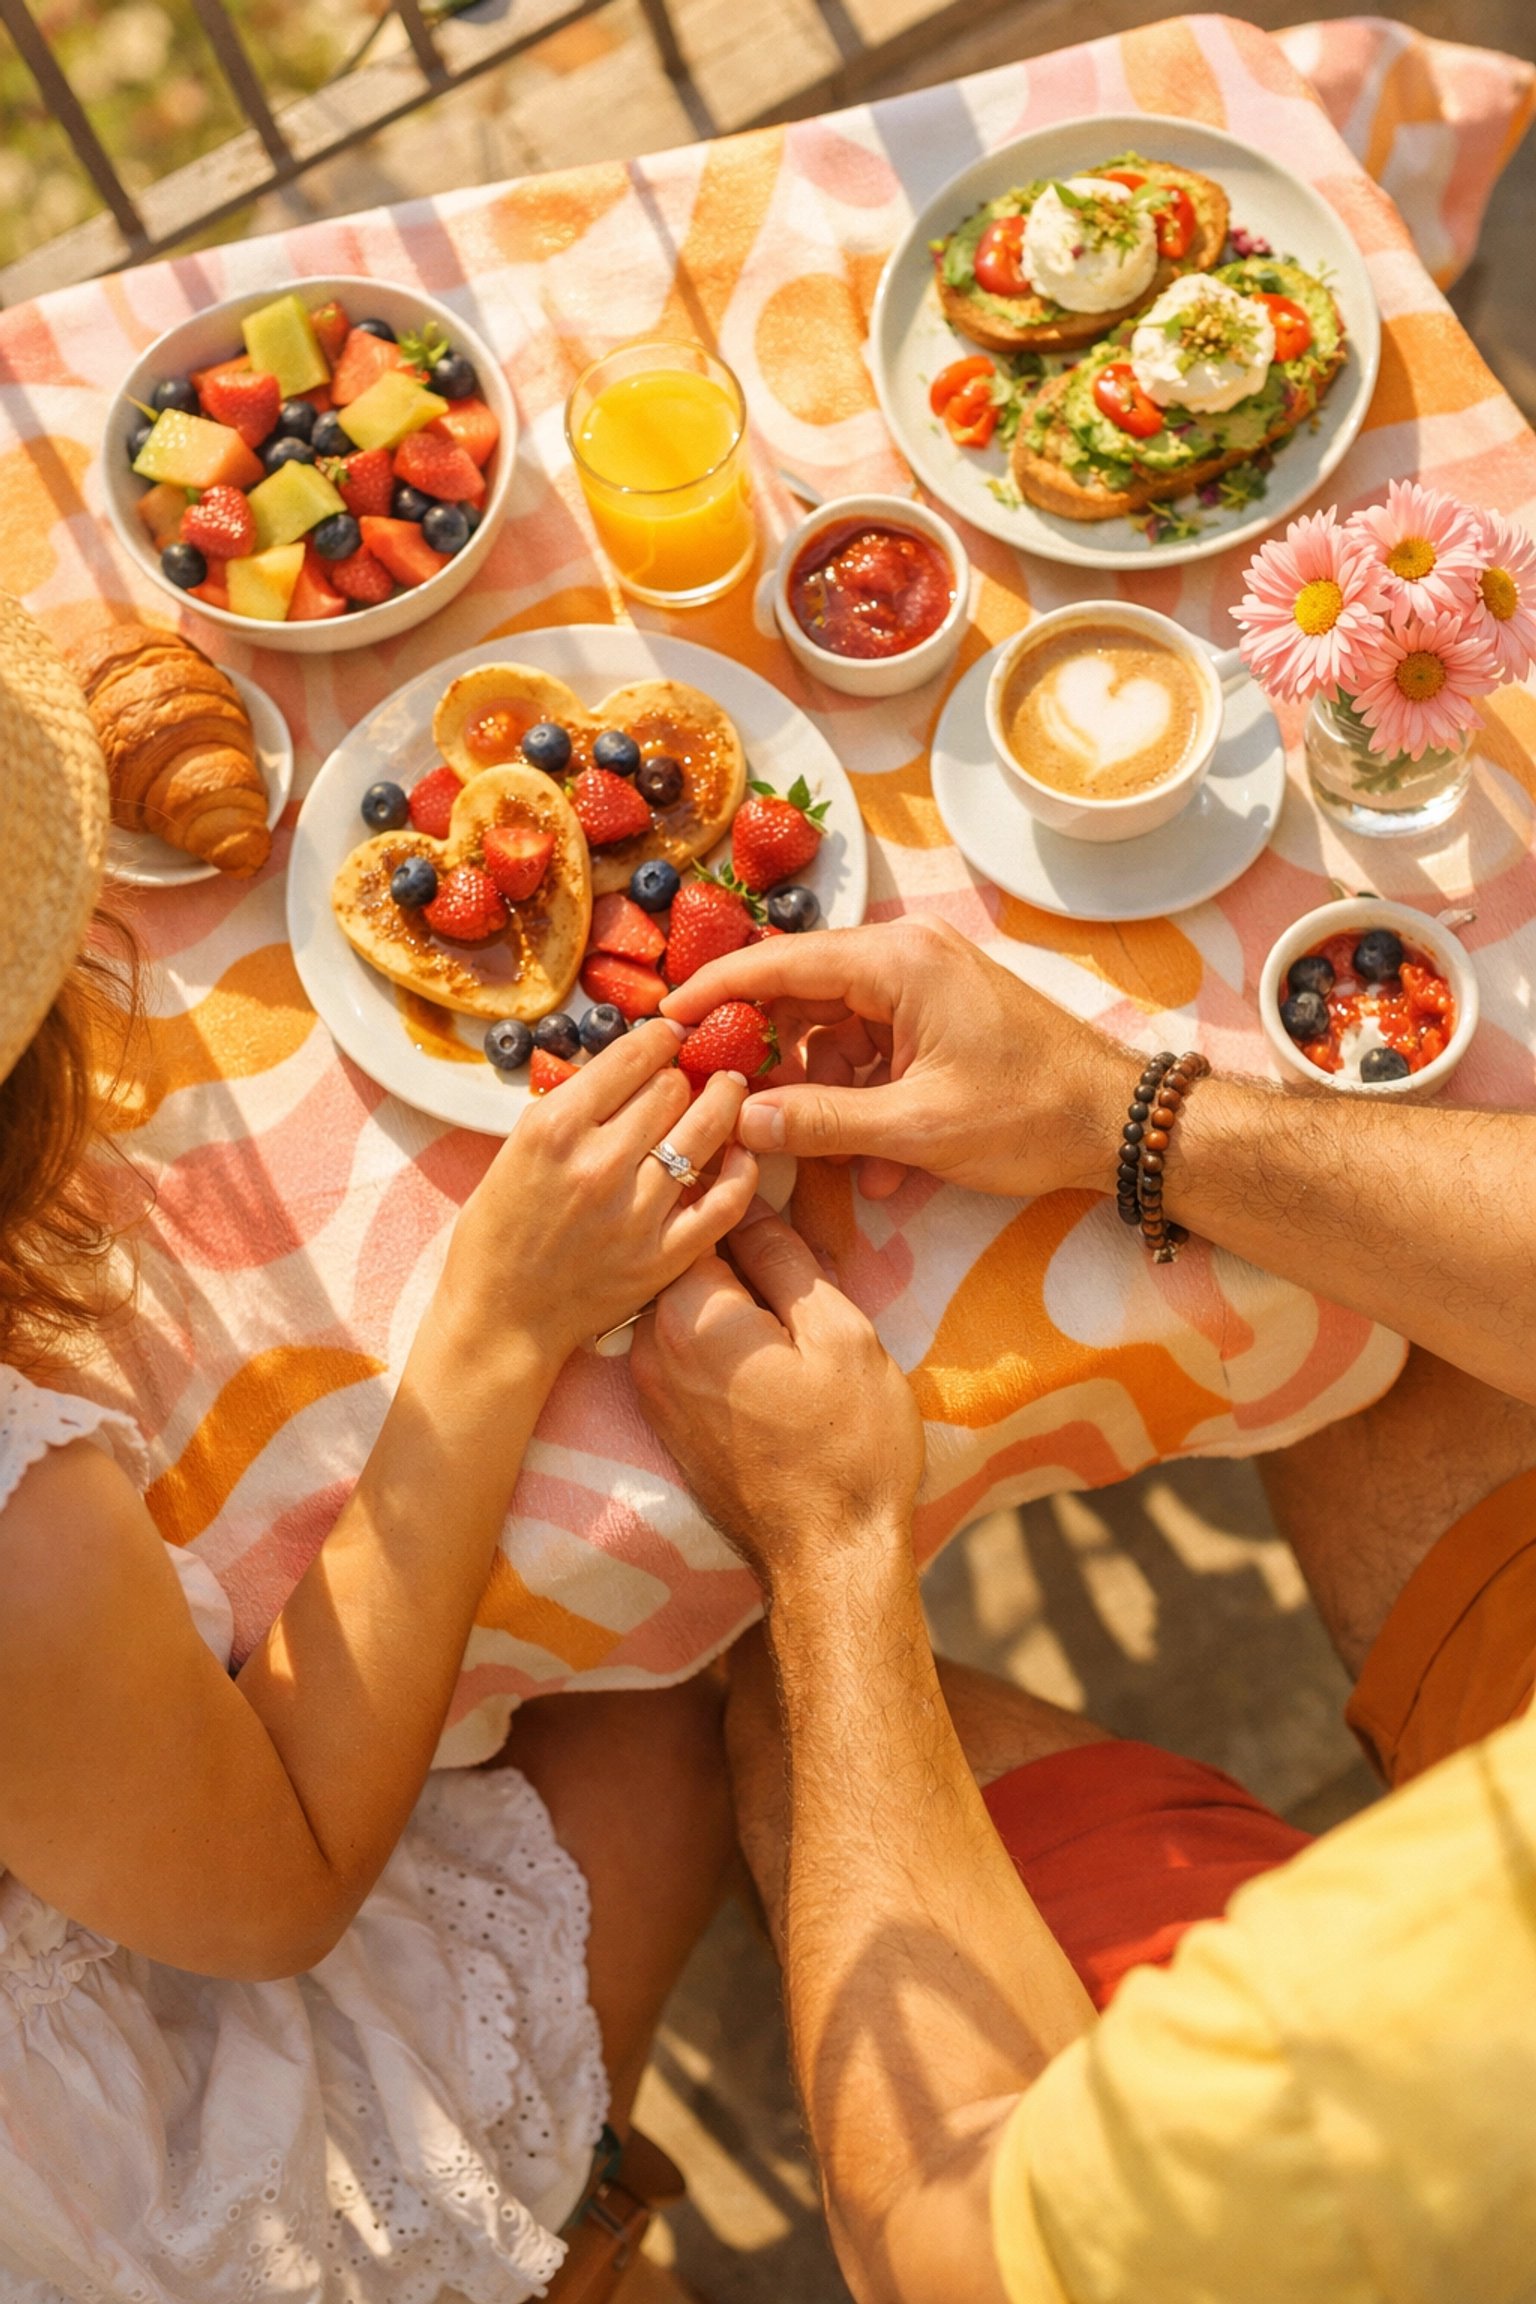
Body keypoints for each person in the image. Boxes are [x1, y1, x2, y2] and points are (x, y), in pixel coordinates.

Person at [0, 595, 757, 2303]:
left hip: (98, 1818)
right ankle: (561, 2243)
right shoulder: (19, 1536)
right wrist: (496, 1324)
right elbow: (268, 1899)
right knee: (664, 1728)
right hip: (135, 2107)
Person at [630, 915, 1536, 2304]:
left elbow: (934, 2237)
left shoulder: (1369, 2080)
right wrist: (1112, 1110)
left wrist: (829, 1543)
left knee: (789, 1713)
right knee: (1395, 1330)